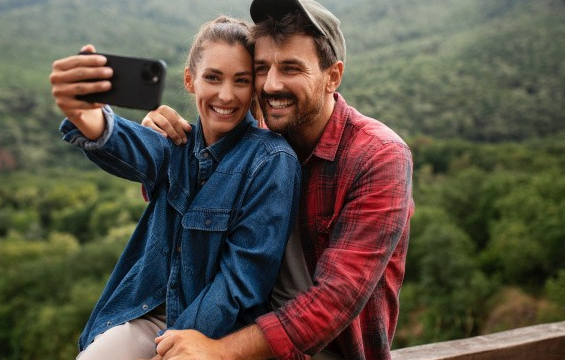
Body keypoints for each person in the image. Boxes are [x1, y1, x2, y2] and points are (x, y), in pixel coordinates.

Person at [140, 1, 415, 359]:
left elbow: (335, 300)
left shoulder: (378, 157)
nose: (271, 85)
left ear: (333, 75)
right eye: (261, 69)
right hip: (237, 334)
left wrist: (219, 351)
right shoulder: (255, 139)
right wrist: (163, 148)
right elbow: (185, 209)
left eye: (290, 68)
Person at [49, 16, 301, 360]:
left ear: (254, 87)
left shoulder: (271, 160)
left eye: (241, 81)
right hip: (150, 314)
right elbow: (131, 146)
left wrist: (175, 347)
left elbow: (241, 281)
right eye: (213, 77)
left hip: (223, 332)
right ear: (190, 80)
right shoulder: (176, 142)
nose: (226, 95)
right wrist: (90, 119)